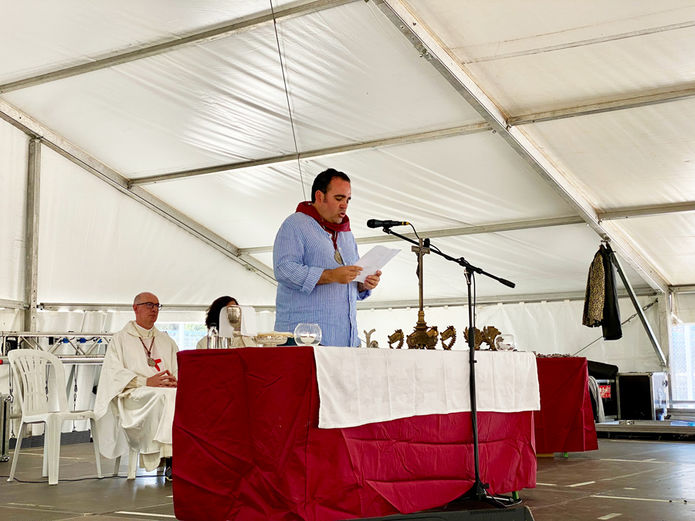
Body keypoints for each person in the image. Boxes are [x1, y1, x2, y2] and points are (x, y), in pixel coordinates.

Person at [273, 168, 380, 347]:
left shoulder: (346, 234)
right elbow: (284, 269)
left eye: (348, 199)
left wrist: (362, 284)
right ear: (320, 196)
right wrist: (330, 275)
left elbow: (348, 281)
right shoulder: (295, 224)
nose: (344, 205)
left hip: (345, 341)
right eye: (339, 198)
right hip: (301, 341)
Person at [94, 292, 178, 480]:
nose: (154, 309)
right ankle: (171, 460)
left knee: (176, 395)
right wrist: (145, 381)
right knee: (164, 397)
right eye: (149, 305)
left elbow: (178, 369)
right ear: (135, 308)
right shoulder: (120, 339)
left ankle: (176, 457)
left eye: (157, 305)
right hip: (132, 397)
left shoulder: (166, 340)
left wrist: (175, 381)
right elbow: (113, 373)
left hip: (163, 394)